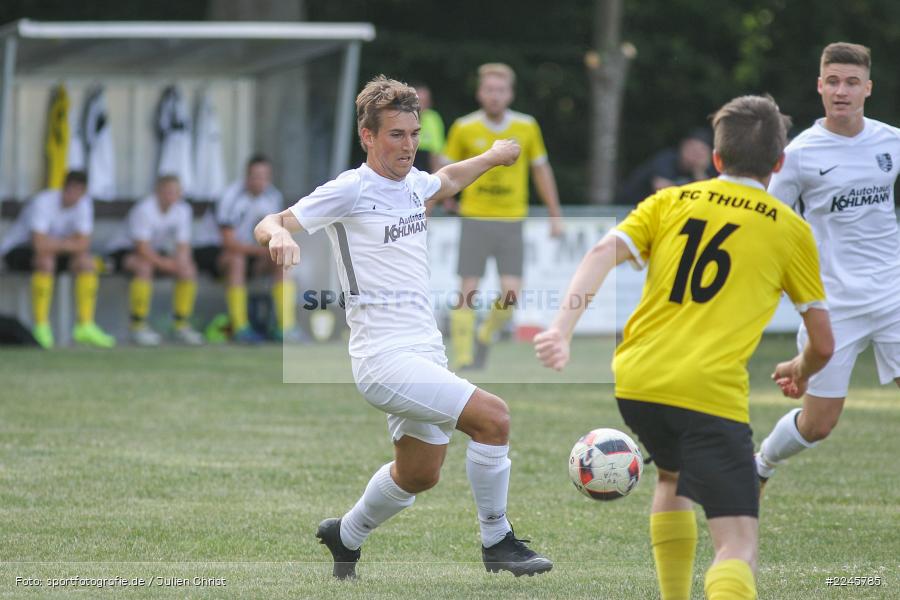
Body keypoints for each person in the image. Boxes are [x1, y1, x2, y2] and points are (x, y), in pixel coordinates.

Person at [534, 95, 834, 600]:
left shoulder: (671, 201)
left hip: (637, 381)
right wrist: (801, 367)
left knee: (671, 478)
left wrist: (561, 330)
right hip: (708, 391)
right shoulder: (789, 229)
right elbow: (824, 342)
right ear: (778, 164)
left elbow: (603, 250)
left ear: (717, 158)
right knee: (738, 546)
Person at [254, 75, 552, 580]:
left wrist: (495, 155)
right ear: (367, 137)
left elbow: (449, 179)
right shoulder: (350, 188)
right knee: (494, 419)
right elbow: (272, 220)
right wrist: (278, 237)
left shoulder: (413, 183)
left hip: (424, 350)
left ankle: (345, 534)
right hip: (383, 357)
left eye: (414, 134)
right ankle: (497, 540)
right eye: (396, 134)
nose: (408, 145)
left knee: (418, 475)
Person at [754, 42, 900, 492]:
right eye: (833, 81)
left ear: (867, 88)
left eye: (852, 82)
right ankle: (759, 466)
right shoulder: (800, 154)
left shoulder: (891, 141)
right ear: (820, 87)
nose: (842, 91)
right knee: (818, 425)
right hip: (833, 304)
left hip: (893, 294)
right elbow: (769, 222)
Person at [443, 62, 563, 370]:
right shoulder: (464, 127)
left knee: (511, 293)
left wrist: (554, 214)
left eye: (500, 90)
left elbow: (541, 169)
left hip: (511, 220)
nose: (494, 96)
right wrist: (432, 204)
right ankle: (464, 358)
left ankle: (484, 336)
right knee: (468, 289)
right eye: (489, 90)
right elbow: (446, 172)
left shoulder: (526, 127)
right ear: (480, 93)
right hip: (474, 218)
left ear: (510, 94)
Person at [0, 170, 115, 349]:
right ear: (64, 187)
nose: (74, 196)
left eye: (79, 192)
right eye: (71, 190)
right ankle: (41, 326)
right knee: (45, 261)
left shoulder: (84, 204)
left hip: (54, 251)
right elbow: (38, 245)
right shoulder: (43, 202)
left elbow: (83, 244)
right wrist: (69, 243)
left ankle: (84, 325)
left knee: (86, 263)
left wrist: (57, 244)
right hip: (17, 250)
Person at [193, 154, 296, 343]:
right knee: (236, 260)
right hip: (210, 250)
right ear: (247, 176)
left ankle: (285, 328)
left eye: (264, 176)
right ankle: (240, 328)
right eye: (256, 176)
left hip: (249, 250)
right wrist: (264, 251)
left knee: (282, 261)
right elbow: (228, 243)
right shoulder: (230, 196)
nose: (260, 181)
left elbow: (277, 233)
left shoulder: (273, 197)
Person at [107, 175, 203, 346]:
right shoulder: (144, 209)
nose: (170, 196)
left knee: (188, 269)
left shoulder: (183, 210)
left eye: (174, 192)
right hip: (122, 251)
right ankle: (137, 326)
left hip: (154, 252)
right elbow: (141, 248)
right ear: (157, 192)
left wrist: (181, 261)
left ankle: (181, 326)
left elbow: (183, 245)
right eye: (166, 192)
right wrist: (166, 264)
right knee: (144, 267)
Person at [617, 128, 717, 206]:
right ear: (683, 146)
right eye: (692, 149)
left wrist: (699, 171)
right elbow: (662, 190)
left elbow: (707, 199)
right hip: (627, 208)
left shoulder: (704, 171)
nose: (695, 154)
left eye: (701, 152)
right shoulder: (666, 159)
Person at [411, 83, 445, 173]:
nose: (421, 106)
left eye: (425, 102)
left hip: (426, 169)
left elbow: (436, 152)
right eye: (419, 102)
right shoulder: (402, 118)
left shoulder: (433, 118)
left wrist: (436, 177)